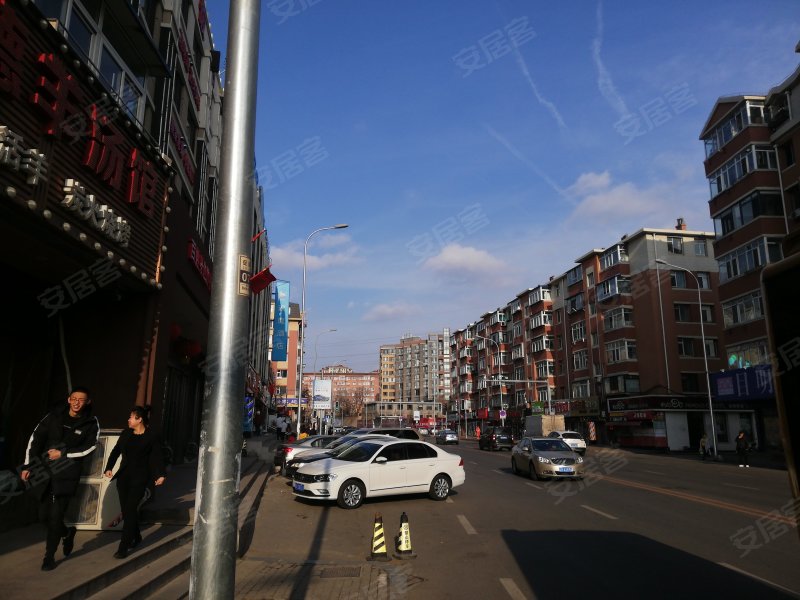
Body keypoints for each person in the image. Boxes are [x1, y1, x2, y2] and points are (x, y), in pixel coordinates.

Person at [20, 386, 100, 571]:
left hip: (67, 474)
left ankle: (49, 556)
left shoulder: (90, 422)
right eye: (74, 398)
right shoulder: (53, 416)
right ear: (68, 399)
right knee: (43, 516)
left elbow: (90, 447)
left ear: (88, 402)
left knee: (56, 516)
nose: (77, 402)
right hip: (44, 471)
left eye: (81, 399)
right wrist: (27, 465)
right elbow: (36, 439)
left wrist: (63, 453)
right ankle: (67, 532)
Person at [104, 406, 166, 559]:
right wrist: (109, 467)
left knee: (130, 509)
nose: (128, 420)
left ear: (140, 420)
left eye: (131, 417)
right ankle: (137, 536)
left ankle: (123, 547)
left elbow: (157, 456)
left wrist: (160, 474)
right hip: (124, 477)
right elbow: (116, 451)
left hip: (140, 478)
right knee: (127, 511)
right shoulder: (126, 433)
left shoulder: (151, 436)